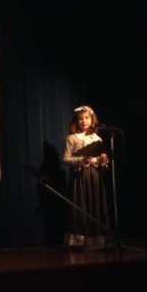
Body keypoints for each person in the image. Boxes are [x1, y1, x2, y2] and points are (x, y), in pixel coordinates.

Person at [62, 105, 110, 249]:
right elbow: (65, 159)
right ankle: (79, 240)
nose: (84, 121)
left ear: (92, 119)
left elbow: (101, 161)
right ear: (76, 121)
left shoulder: (97, 138)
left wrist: (102, 160)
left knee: (95, 203)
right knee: (81, 204)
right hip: (80, 176)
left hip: (94, 176)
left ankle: (96, 239)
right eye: (80, 119)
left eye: (87, 118)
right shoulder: (72, 138)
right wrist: (82, 160)